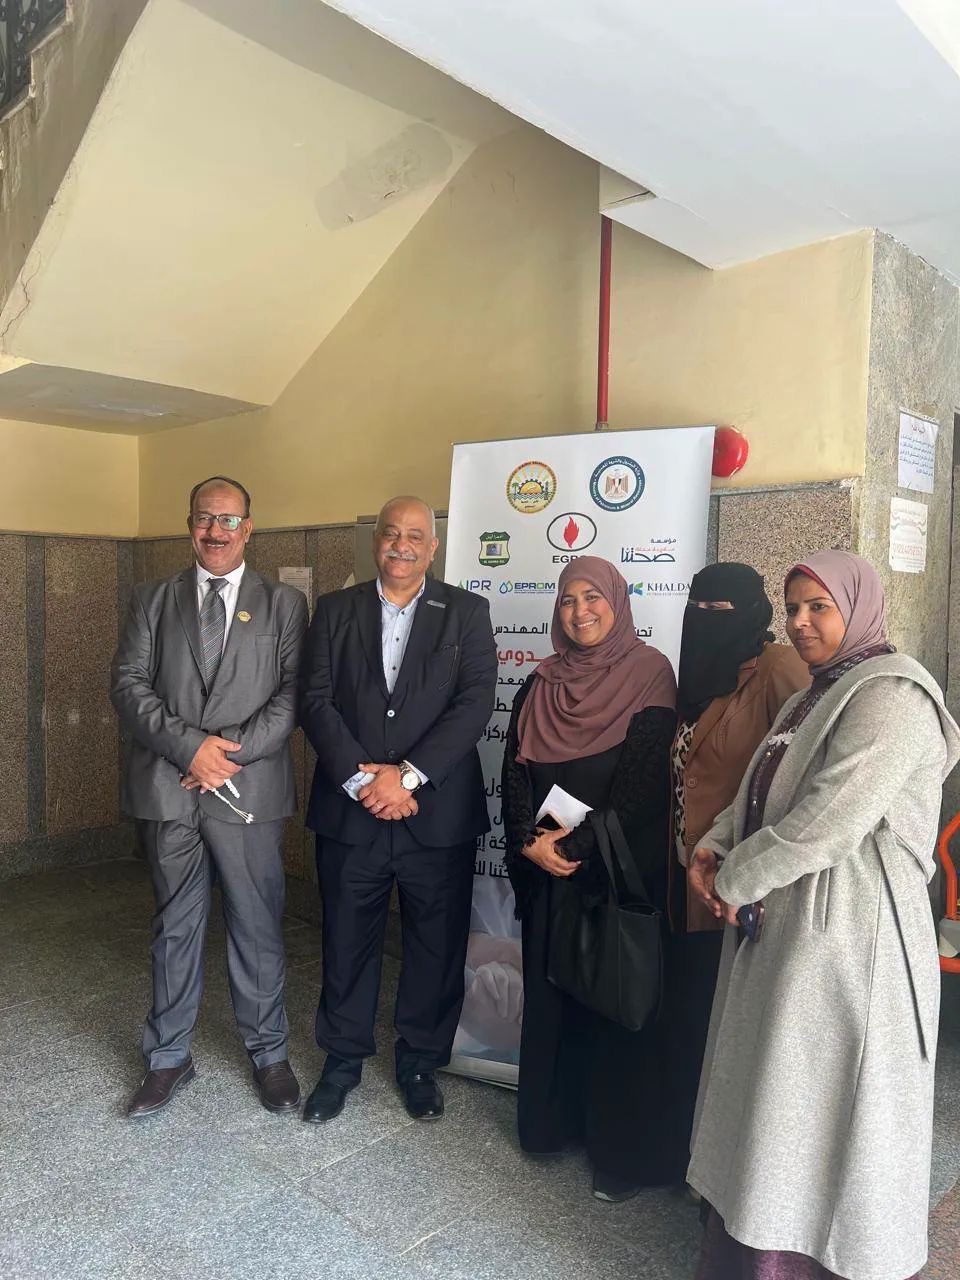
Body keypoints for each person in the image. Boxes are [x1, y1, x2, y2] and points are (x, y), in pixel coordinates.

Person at [687, 551, 959, 1280]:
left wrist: (736, 878)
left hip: (852, 939)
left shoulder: (894, 695)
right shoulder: (810, 695)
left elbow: (827, 820)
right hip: (790, 923)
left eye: (819, 607)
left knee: (823, 1109)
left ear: (859, 607)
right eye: (794, 608)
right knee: (777, 1106)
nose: (802, 623)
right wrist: (716, 847)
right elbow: (759, 790)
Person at [111, 475, 308, 1117]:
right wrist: (190, 748)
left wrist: (226, 755)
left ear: (248, 528)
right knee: (175, 927)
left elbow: (292, 696)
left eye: (228, 519)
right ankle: (168, 1056)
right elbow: (128, 684)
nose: (215, 530)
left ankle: (269, 1054)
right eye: (204, 518)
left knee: (256, 923)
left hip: (247, 790)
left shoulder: (283, 604)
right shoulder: (152, 598)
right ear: (189, 523)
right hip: (170, 789)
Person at [299, 496, 497, 1124]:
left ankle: (419, 1063)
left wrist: (407, 776)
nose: (401, 545)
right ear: (375, 542)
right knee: (345, 940)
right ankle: (341, 1062)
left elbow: (475, 702)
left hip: (434, 813)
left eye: (415, 536)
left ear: (432, 548)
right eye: (391, 534)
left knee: (434, 946)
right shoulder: (335, 610)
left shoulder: (466, 612)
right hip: (351, 811)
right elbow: (315, 700)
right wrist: (366, 781)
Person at [501, 556, 678, 1201]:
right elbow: (512, 769)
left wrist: (572, 848)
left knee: (608, 1005)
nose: (581, 611)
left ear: (617, 603)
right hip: (547, 875)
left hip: (607, 875)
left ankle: (614, 1150)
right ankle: (550, 1127)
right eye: (569, 600)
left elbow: (642, 789)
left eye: (593, 597)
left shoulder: (649, 673)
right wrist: (529, 843)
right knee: (551, 1000)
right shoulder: (542, 679)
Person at [667, 563, 809, 1166]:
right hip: (685, 870)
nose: (705, 620)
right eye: (696, 608)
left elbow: (799, 773)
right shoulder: (698, 671)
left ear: (755, 612)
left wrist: (754, 865)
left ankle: (721, 1164)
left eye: (720, 611)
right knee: (691, 1011)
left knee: (726, 1021)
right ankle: (684, 1148)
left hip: (739, 877)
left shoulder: (779, 668)